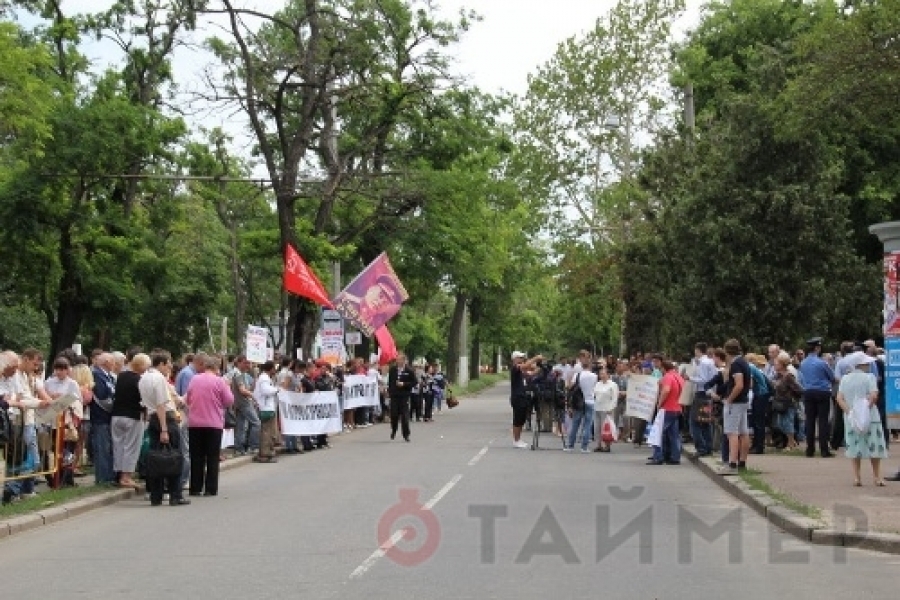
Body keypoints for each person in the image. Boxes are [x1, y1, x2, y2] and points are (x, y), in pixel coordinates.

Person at [139, 352, 189, 506]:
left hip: (153, 418)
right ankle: (175, 494)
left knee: (156, 458)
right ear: (160, 364)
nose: (170, 367)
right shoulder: (159, 378)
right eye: (168, 364)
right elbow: (161, 404)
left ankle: (156, 494)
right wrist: (164, 429)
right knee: (173, 457)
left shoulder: (144, 377)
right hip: (164, 418)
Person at [836, 351, 888, 486]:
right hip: (871, 417)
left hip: (851, 418)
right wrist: (865, 409)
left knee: (854, 446)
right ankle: (877, 477)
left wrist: (850, 412)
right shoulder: (869, 377)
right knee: (874, 446)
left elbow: (839, 398)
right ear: (862, 364)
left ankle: (856, 477)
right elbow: (874, 396)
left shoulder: (845, 378)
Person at [185, 354, 235, 496]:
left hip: (195, 423)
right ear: (216, 367)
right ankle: (210, 488)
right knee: (212, 456)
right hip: (213, 423)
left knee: (196, 456)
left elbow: (189, 398)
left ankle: (195, 487)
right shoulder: (220, 381)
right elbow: (229, 400)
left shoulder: (194, 379)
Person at [111, 353, 148, 490]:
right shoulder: (140, 380)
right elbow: (143, 400)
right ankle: (126, 477)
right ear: (142, 365)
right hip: (133, 415)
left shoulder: (121, 376)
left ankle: (118, 473)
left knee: (118, 445)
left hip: (117, 415)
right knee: (131, 447)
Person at [718, 339, 751, 475]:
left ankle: (732, 464)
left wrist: (729, 399)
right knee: (744, 432)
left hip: (735, 402)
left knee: (732, 433)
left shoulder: (736, 364)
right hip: (743, 401)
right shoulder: (744, 362)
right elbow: (749, 383)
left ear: (727, 351)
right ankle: (742, 462)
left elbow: (739, 384)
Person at [799, 337, 836, 458]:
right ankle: (824, 450)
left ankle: (810, 449)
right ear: (817, 348)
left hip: (808, 392)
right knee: (823, 421)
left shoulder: (803, 363)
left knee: (810, 421)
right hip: (822, 392)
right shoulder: (822, 363)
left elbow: (802, 378)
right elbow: (832, 377)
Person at [649, 359, 684, 465]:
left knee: (658, 433)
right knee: (674, 434)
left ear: (664, 368)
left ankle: (658, 457)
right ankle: (675, 456)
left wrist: (659, 403)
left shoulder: (668, 377)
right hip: (677, 408)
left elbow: (666, 390)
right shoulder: (678, 377)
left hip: (667, 408)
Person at [90, 353, 117, 485]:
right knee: (102, 448)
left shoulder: (107, 376)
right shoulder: (97, 375)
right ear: (106, 362)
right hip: (100, 417)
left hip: (107, 417)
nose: (114, 364)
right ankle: (103, 478)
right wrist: (115, 406)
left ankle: (108, 475)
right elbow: (101, 396)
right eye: (112, 362)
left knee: (107, 447)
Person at [565, 354, 598, 453]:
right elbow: (594, 387)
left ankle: (570, 445)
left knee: (575, 423)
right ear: (590, 365)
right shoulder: (594, 376)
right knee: (587, 424)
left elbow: (571, 387)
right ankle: (584, 446)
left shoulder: (577, 375)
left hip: (579, 400)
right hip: (590, 400)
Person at [689, 342, 717, 456]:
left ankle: (701, 447)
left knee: (694, 421)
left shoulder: (702, 363)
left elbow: (703, 379)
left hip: (701, 393)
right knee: (705, 422)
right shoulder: (710, 361)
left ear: (698, 350)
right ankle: (708, 447)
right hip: (708, 394)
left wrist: (690, 378)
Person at [509, 351, 542, 448]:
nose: (522, 359)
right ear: (515, 359)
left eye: (522, 358)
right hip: (517, 397)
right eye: (520, 357)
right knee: (517, 419)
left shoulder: (521, 370)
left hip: (522, 396)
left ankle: (518, 439)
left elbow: (532, 372)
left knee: (522, 419)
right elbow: (526, 366)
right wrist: (535, 358)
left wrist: (539, 368)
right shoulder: (515, 368)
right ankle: (516, 440)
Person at [771, 352, 803, 450]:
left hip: (788, 403)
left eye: (776, 364)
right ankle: (793, 441)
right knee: (780, 424)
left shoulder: (789, 376)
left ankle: (790, 444)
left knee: (788, 423)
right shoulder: (778, 376)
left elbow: (799, 389)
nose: (774, 365)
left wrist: (792, 396)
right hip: (780, 403)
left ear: (782, 364)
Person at [229, 355, 260, 457]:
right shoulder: (238, 374)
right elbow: (242, 390)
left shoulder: (243, 374)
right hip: (244, 403)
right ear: (239, 363)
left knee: (241, 427)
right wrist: (253, 396)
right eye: (245, 363)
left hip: (240, 403)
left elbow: (249, 388)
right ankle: (253, 446)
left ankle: (239, 449)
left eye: (249, 363)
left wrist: (255, 378)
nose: (248, 365)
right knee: (256, 423)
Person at [253, 361, 280, 463]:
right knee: (267, 432)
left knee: (270, 432)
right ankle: (264, 454)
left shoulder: (265, 378)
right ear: (270, 368)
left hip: (268, 407)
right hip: (266, 408)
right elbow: (265, 390)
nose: (275, 370)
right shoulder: (264, 378)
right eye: (274, 368)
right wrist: (276, 389)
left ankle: (268, 452)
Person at [388, 353, 416, 442]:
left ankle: (406, 434)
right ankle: (394, 429)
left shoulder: (409, 370)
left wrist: (404, 384)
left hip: (404, 396)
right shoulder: (393, 370)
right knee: (394, 414)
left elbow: (414, 382)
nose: (398, 361)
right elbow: (391, 381)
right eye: (397, 359)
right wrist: (390, 391)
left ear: (404, 361)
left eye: (400, 359)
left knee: (404, 416)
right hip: (394, 396)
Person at [593, 366, 619, 452]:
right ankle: (598, 444)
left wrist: (611, 408)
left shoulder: (613, 385)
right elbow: (595, 395)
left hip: (607, 408)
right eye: (601, 374)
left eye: (604, 374)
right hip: (597, 408)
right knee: (597, 427)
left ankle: (607, 445)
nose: (602, 375)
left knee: (606, 428)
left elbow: (615, 398)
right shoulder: (598, 384)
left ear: (608, 375)